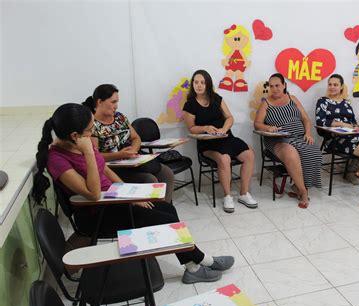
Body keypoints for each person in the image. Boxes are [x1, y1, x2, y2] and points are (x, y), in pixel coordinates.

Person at [32, 103, 234, 284]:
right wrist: (88, 153)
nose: (93, 133)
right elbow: (93, 194)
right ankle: (201, 261)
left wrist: (131, 195)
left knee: (167, 210)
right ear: (75, 136)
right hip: (97, 214)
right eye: (90, 130)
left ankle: (193, 267)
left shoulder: (80, 142)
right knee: (162, 220)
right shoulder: (57, 160)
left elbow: (105, 170)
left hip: (114, 201)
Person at [82, 84, 174, 203]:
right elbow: (95, 156)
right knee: (149, 179)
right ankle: (150, 214)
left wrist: (133, 150)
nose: (116, 106)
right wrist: (119, 155)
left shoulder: (120, 118)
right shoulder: (92, 125)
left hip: (132, 163)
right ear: (100, 102)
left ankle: (164, 208)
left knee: (167, 173)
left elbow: (136, 138)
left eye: (117, 102)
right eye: (113, 102)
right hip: (112, 170)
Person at [183, 70, 257, 213]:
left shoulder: (217, 98)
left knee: (250, 155)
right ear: (192, 84)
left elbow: (230, 118)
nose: (199, 85)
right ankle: (227, 196)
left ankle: (243, 193)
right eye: (196, 82)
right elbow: (191, 128)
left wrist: (223, 128)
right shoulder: (190, 105)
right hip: (207, 143)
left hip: (226, 137)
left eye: (202, 82)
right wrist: (205, 128)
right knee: (224, 159)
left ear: (208, 84)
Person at [254, 73, 322, 208]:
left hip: (299, 137)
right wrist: (268, 127)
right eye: (271, 86)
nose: (274, 89)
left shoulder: (293, 99)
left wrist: (308, 133)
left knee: (314, 151)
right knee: (291, 154)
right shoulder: (266, 103)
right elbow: (257, 124)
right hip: (278, 140)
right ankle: (303, 192)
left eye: (277, 85)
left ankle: (298, 186)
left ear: (284, 85)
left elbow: (306, 119)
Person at [316, 74, 359, 200]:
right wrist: (343, 124)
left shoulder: (346, 104)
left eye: (335, 84)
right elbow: (320, 122)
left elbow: (353, 122)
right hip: (334, 139)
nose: (332, 87)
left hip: (351, 136)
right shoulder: (323, 101)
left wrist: (355, 127)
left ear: (341, 87)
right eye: (330, 84)